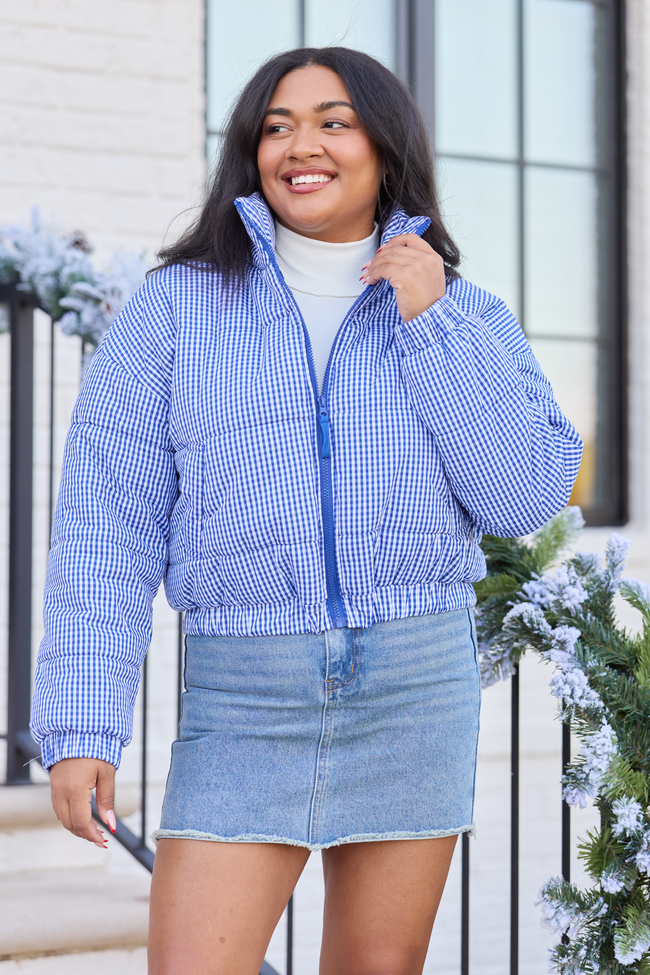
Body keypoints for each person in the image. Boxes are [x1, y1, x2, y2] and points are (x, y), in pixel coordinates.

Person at [32, 46, 582, 975]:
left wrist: (432, 322)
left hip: (414, 682)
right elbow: (105, 528)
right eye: (277, 127)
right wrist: (82, 724)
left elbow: (521, 494)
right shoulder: (174, 311)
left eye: (334, 122)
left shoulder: (464, 313)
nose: (302, 146)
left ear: (383, 147)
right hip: (246, 692)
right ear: (252, 154)